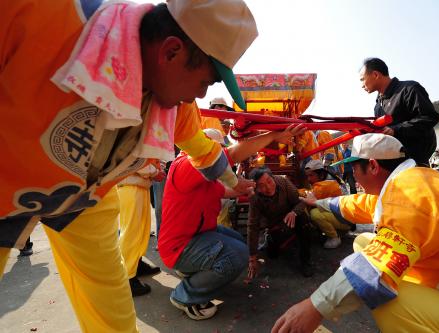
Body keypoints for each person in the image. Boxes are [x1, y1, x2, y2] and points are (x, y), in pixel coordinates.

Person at [1, 1, 258, 332]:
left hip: (86, 202)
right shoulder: (42, 14)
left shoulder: (173, 106)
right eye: (205, 82)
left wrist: (233, 182)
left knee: (115, 315)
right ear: (171, 52)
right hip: (7, 188)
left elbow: (203, 150)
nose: (201, 94)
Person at [272, 133, 439, 333]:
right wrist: (319, 202)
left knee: (386, 300)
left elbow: (377, 262)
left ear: (372, 166)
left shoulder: (412, 190)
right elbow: (357, 204)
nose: (354, 176)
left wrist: (315, 306)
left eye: (354, 168)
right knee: (364, 241)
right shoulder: (405, 183)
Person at [159, 124, 305, 320]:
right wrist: (273, 136)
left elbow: (230, 191)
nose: (222, 162)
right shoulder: (187, 166)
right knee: (238, 254)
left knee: (236, 238)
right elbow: (234, 155)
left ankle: (193, 271)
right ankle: (185, 295)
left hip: (195, 236)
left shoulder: (206, 179)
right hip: (179, 246)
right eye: (218, 153)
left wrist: (251, 187)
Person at [359, 57, 439, 165]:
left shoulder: (409, 89)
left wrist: (396, 130)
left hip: (415, 160)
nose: (362, 85)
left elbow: (429, 117)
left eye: (362, 79)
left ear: (375, 75)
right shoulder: (378, 105)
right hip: (392, 161)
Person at [247, 167, 314, 278]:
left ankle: (305, 261)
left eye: (269, 181)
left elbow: (302, 201)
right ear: (256, 188)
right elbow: (252, 226)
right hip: (273, 224)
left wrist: (294, 212)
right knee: (273, 254)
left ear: (273, 178)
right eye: (261, 186)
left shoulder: (283, 182)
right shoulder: (255, 198)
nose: (268, 188)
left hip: (291, 217)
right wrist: (252, 257)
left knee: (304, 221)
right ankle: (270, 239)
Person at [117, 163, 162, 296]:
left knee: (140, 230)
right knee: (131, 233)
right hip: (129, 185)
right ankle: (127, 277)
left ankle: (136, 264)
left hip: (138, 184)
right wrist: (154, 172)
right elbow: (135, 159)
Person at [303, 160, 350, 249]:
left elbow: (307, 196)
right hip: (346, 218)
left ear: (320, 174)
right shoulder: (333, 178)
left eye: (311, 175)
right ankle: (338, 232)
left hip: (345, 221)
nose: (308, 179)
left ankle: (334, 238)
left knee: (315, 213)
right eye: (307, 176)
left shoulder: (324, 186)